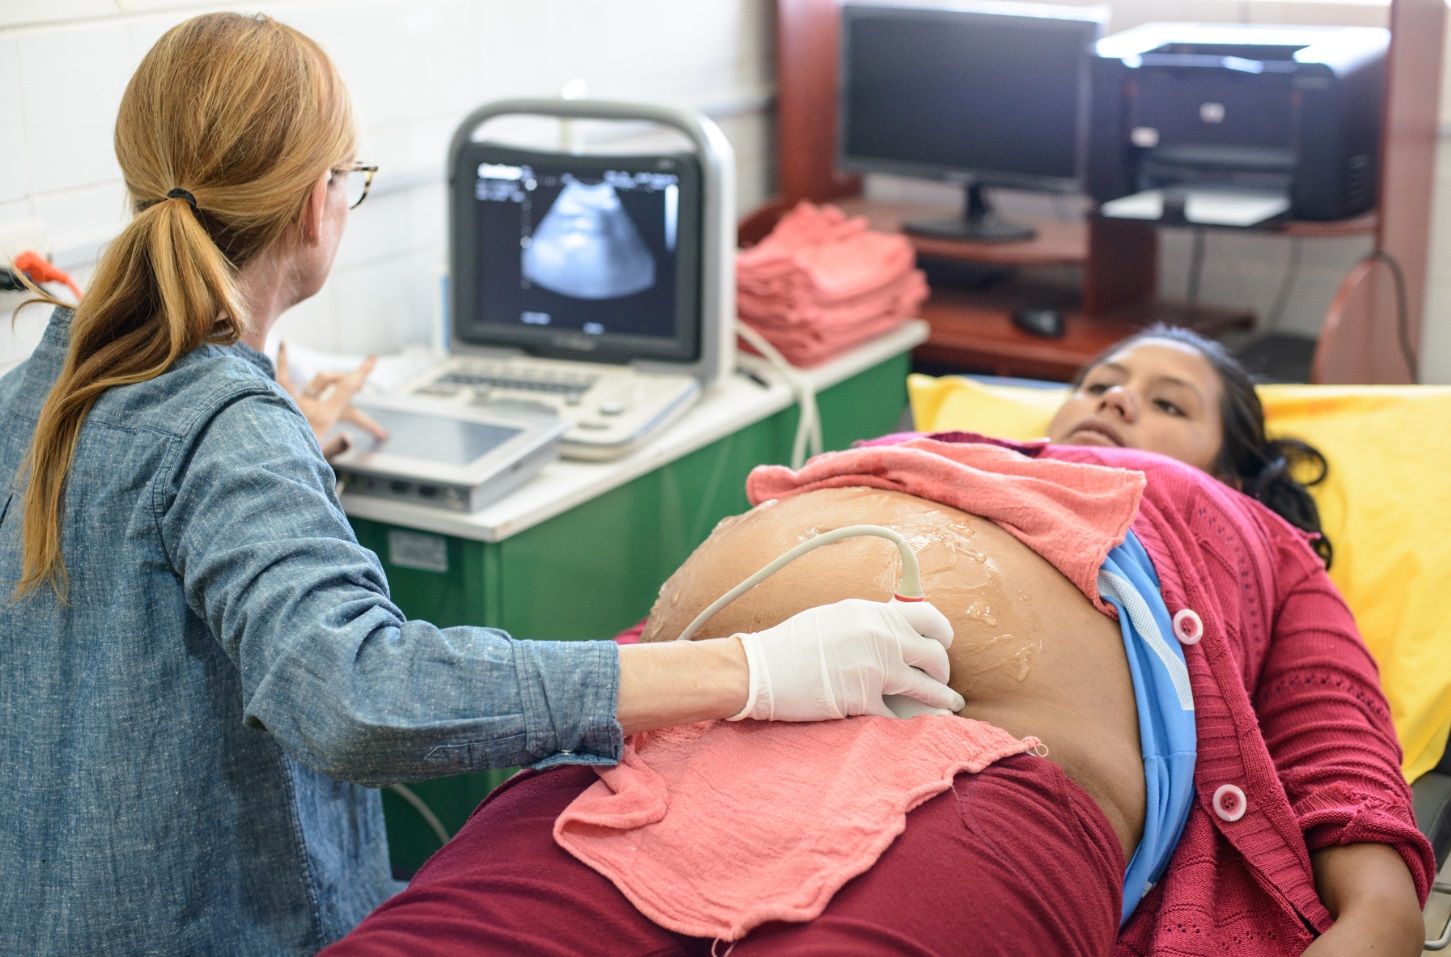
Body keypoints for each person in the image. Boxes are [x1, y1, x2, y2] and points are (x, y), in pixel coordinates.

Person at [0, 14, 963, 956]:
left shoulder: (39, 392)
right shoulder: (226, 434)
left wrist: (283, 442)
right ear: (313, 205)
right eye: (355, 183)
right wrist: (759, 670)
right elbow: (355, 691)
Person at [321, 326, 1434, 957]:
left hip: (982, 788)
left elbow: (1374, 891)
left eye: (1164, 402)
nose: (1110, 402)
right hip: (667, 747)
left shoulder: (1254, 546)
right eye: (1097, 383)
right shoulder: (918, 448)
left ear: (1233, 470)